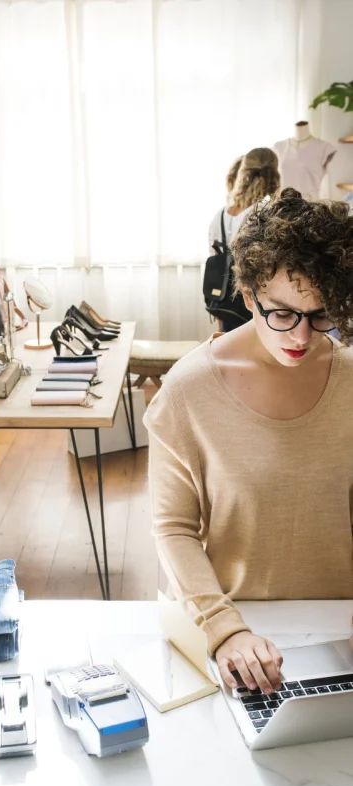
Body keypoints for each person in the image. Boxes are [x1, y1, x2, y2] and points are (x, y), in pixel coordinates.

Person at [146, 188, 353, 697]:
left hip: (341, 625)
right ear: (247, 294)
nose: (301, 337)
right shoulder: (187, 390)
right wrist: (225, 630)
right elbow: (172, 528)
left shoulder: (350, 379)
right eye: (281, 314)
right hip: (238, 630)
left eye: (320, 314)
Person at [208, 147, 281, 332]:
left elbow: (216, 261)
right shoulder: (266, 211)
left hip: (226, 301)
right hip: (256, 303)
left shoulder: (221, 215)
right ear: (275, 174)